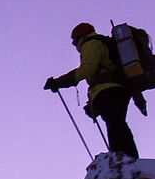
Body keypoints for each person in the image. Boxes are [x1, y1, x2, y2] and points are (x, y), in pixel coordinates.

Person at [45, 22, 139, 158]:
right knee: (116, 122)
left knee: (114, 123)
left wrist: (60, 82)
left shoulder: (91, 44)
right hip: (117, 89)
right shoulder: (101, 43)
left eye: (74, 39)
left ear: (80, 36)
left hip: (108, 90)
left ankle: (122, 156)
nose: (73, 43)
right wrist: (92, 104)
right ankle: (126, 156)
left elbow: (88, 69)